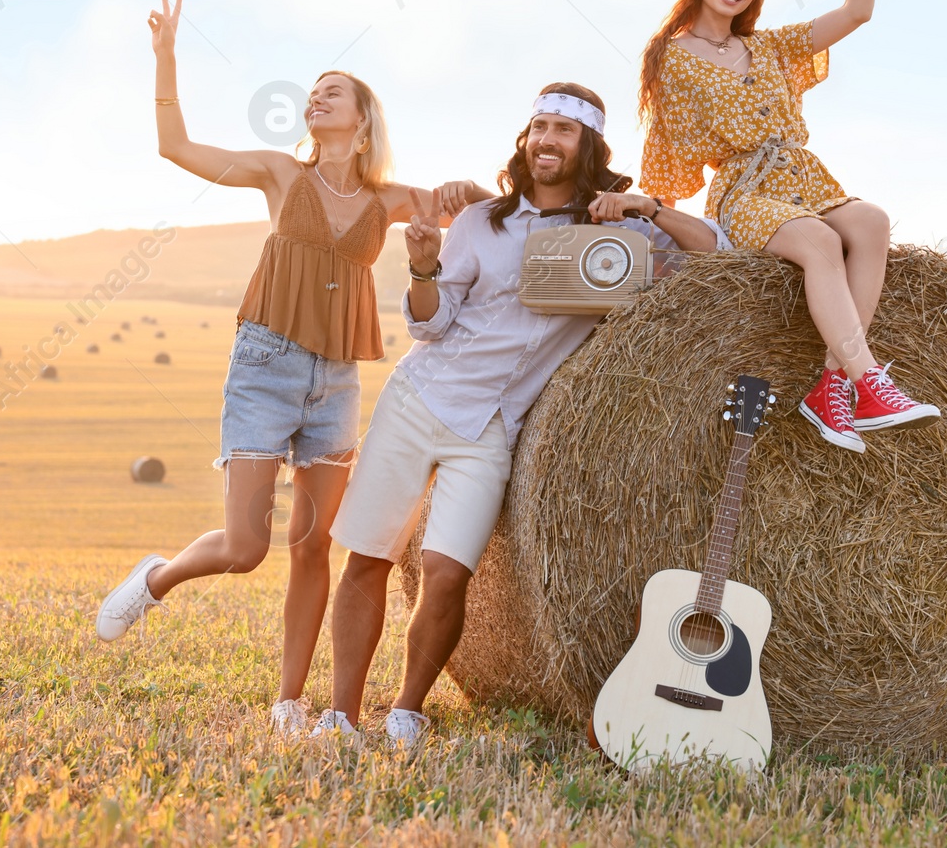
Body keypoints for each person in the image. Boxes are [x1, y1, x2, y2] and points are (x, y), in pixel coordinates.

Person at [94, 0, 491, 736]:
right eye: (313, 91)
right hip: (266, 366)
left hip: (336, 379)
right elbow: (175, 148)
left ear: (362, 120)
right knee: (246, 547)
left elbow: (472, 211)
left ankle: (290, 698)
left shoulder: (389, 199)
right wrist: (165, 57)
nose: (317, 96)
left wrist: (471, 196)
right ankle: (158, 576)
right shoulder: (281, 174)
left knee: (312, 543)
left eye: (332, 90)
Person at [312, 82, 730, 747]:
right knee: (369, 555)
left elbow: (718, 249)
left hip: (495, 427)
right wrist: (423, 270)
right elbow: (431, 323)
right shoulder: (484, 221)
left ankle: (407, 711)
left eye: (564, 130)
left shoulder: (617, 229)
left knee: (448, 573)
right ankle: (338, 715)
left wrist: (647, 205)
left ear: (588, 145)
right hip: (420, 399)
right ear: (524, 139)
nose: (547, 140)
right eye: (539, 126)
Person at [636, 0, 941, 455]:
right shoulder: (672, 59)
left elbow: (858, 11)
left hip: (804, 178)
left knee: (872, 222)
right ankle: (870, 381)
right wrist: (648, 212)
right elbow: (667, 159)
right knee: (822, 243)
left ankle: (831, 388)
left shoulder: (772, 49)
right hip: (744, 192)